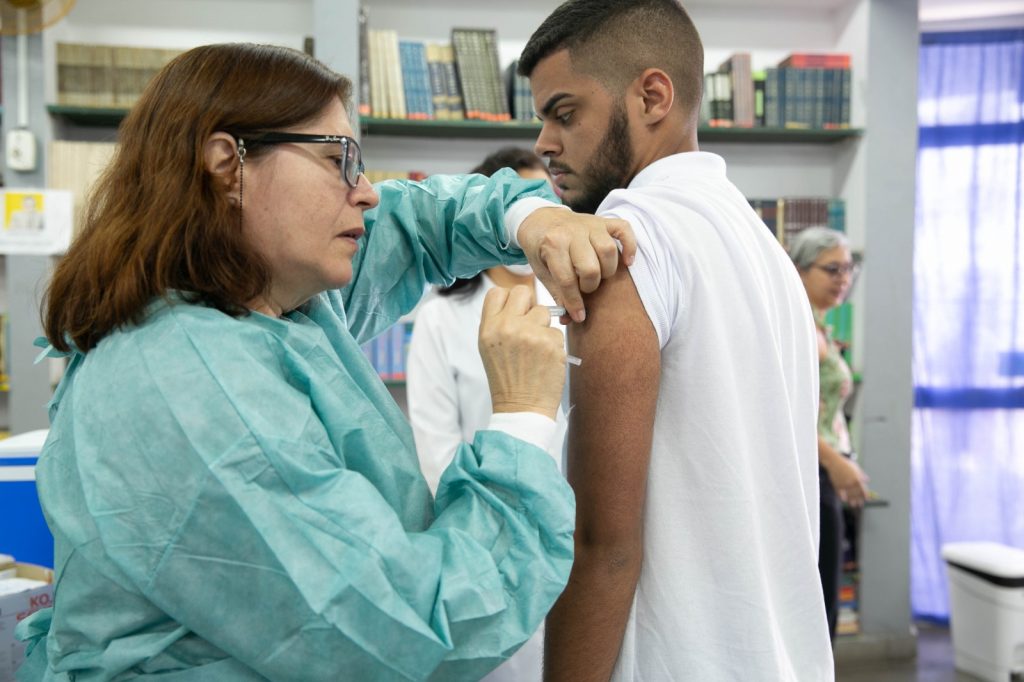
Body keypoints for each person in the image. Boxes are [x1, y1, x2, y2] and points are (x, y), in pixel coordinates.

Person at [16, 43, 637, 682]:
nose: (366, 193)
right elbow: (409, 628)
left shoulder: (276, 297)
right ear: (227, 164)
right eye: (339, 158)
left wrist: (529, 215)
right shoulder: (190, 386)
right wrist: (522, 419)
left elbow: (418, 220)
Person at [518, 1, 835, 679]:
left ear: (652, 96)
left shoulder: (633, 238)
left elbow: (602, 544)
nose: (544, 142)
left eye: (564, 112)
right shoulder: (764, 248)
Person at [407, 147, 563, 682]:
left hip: (580, 535)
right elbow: (435, 451)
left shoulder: (581, 304)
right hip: (494, 537)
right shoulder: (441, 319)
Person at [788, 226, 870, 642]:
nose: (844, 278)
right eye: (832, 269)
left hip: (827, 470)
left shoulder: (820, 326)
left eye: (849, 269)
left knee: (826, 595)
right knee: (820, 606)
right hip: (816, 474)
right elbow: (790, 414)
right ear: (800, 271)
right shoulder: (801, 329)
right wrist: (836, 463)